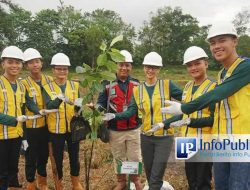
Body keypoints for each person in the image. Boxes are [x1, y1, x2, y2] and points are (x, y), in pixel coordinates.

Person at [162, 22, 250, 190]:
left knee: (234, 185)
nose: (216, 46)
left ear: (235, 41)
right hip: (215, 141)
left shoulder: (245, 67)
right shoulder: (220, 75)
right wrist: (164, 124)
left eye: (221, 40)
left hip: (240, 141)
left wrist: (184, 111)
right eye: (212, 43)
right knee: (206, 182)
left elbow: (217, 95)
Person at [103, 52, 182, 190]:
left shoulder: (167, 85)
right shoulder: (138, 90)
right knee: (150, 174)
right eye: (148, 67)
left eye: (154, 67)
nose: (150, 70)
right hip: (146, 137)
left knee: (156, 176)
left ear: (159, 69)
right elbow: (131, 112)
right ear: (144, 68)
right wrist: (114, 116)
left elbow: (188, 102)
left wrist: (173, 119)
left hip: (164, 137)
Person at [164, 46, 216, 190]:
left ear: (206, 63)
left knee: (202, 182)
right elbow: (184, 112)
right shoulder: (187, 86)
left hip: (205, 141)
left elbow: (214, 119)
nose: (193, 68)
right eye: (190, 65)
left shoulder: (214, 87)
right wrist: (165, 124)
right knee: (191, 180)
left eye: (197, 63)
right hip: (186, 140)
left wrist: (191, 122)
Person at [90, 50, 144, 190]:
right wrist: (96, 108)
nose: (124, 68)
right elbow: (102, 103)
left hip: (133, 127)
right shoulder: (107, 83)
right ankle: (121, 181)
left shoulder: (137, 84)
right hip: (115, 129)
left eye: (127, 65)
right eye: (121, 64)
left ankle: (135, 180)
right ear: (116, 66)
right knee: (119, 157)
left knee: (134, 156)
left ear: (131, 66)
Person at [42, 53, 83, 190]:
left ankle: (75, 183)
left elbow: (78, 104)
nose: (62, 72)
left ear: (68, 70)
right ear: (53, 70)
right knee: (57, 159)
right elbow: (49, 106)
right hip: (56, 130)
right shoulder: (47, 87)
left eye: (64, 69)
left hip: (72, 129)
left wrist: (83, 107)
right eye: (59, 69)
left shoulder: (74, 85)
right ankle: (59, 184)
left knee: (74, 158)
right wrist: (59, 98)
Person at [21, 48, 53, 190]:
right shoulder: (24, 83)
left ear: (41, 63)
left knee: (44, 155)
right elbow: (28, 101)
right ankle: (30, 182)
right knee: (30, 156)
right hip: (31, 127)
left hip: (47, 126)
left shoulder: (49, 80)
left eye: (37, 61)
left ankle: (43, 182)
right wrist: (38, 111)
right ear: (26, 65)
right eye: (31, 63)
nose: (35, 65)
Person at [0, 46, 28, 190]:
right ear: (3, 63)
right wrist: (15, 120)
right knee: (2, 172)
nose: (14, 65)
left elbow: (22, 107)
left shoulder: (20, 86)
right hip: (1, 137)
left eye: (17, 62)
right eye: (10, 62)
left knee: (12, 169)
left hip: (16, 134)